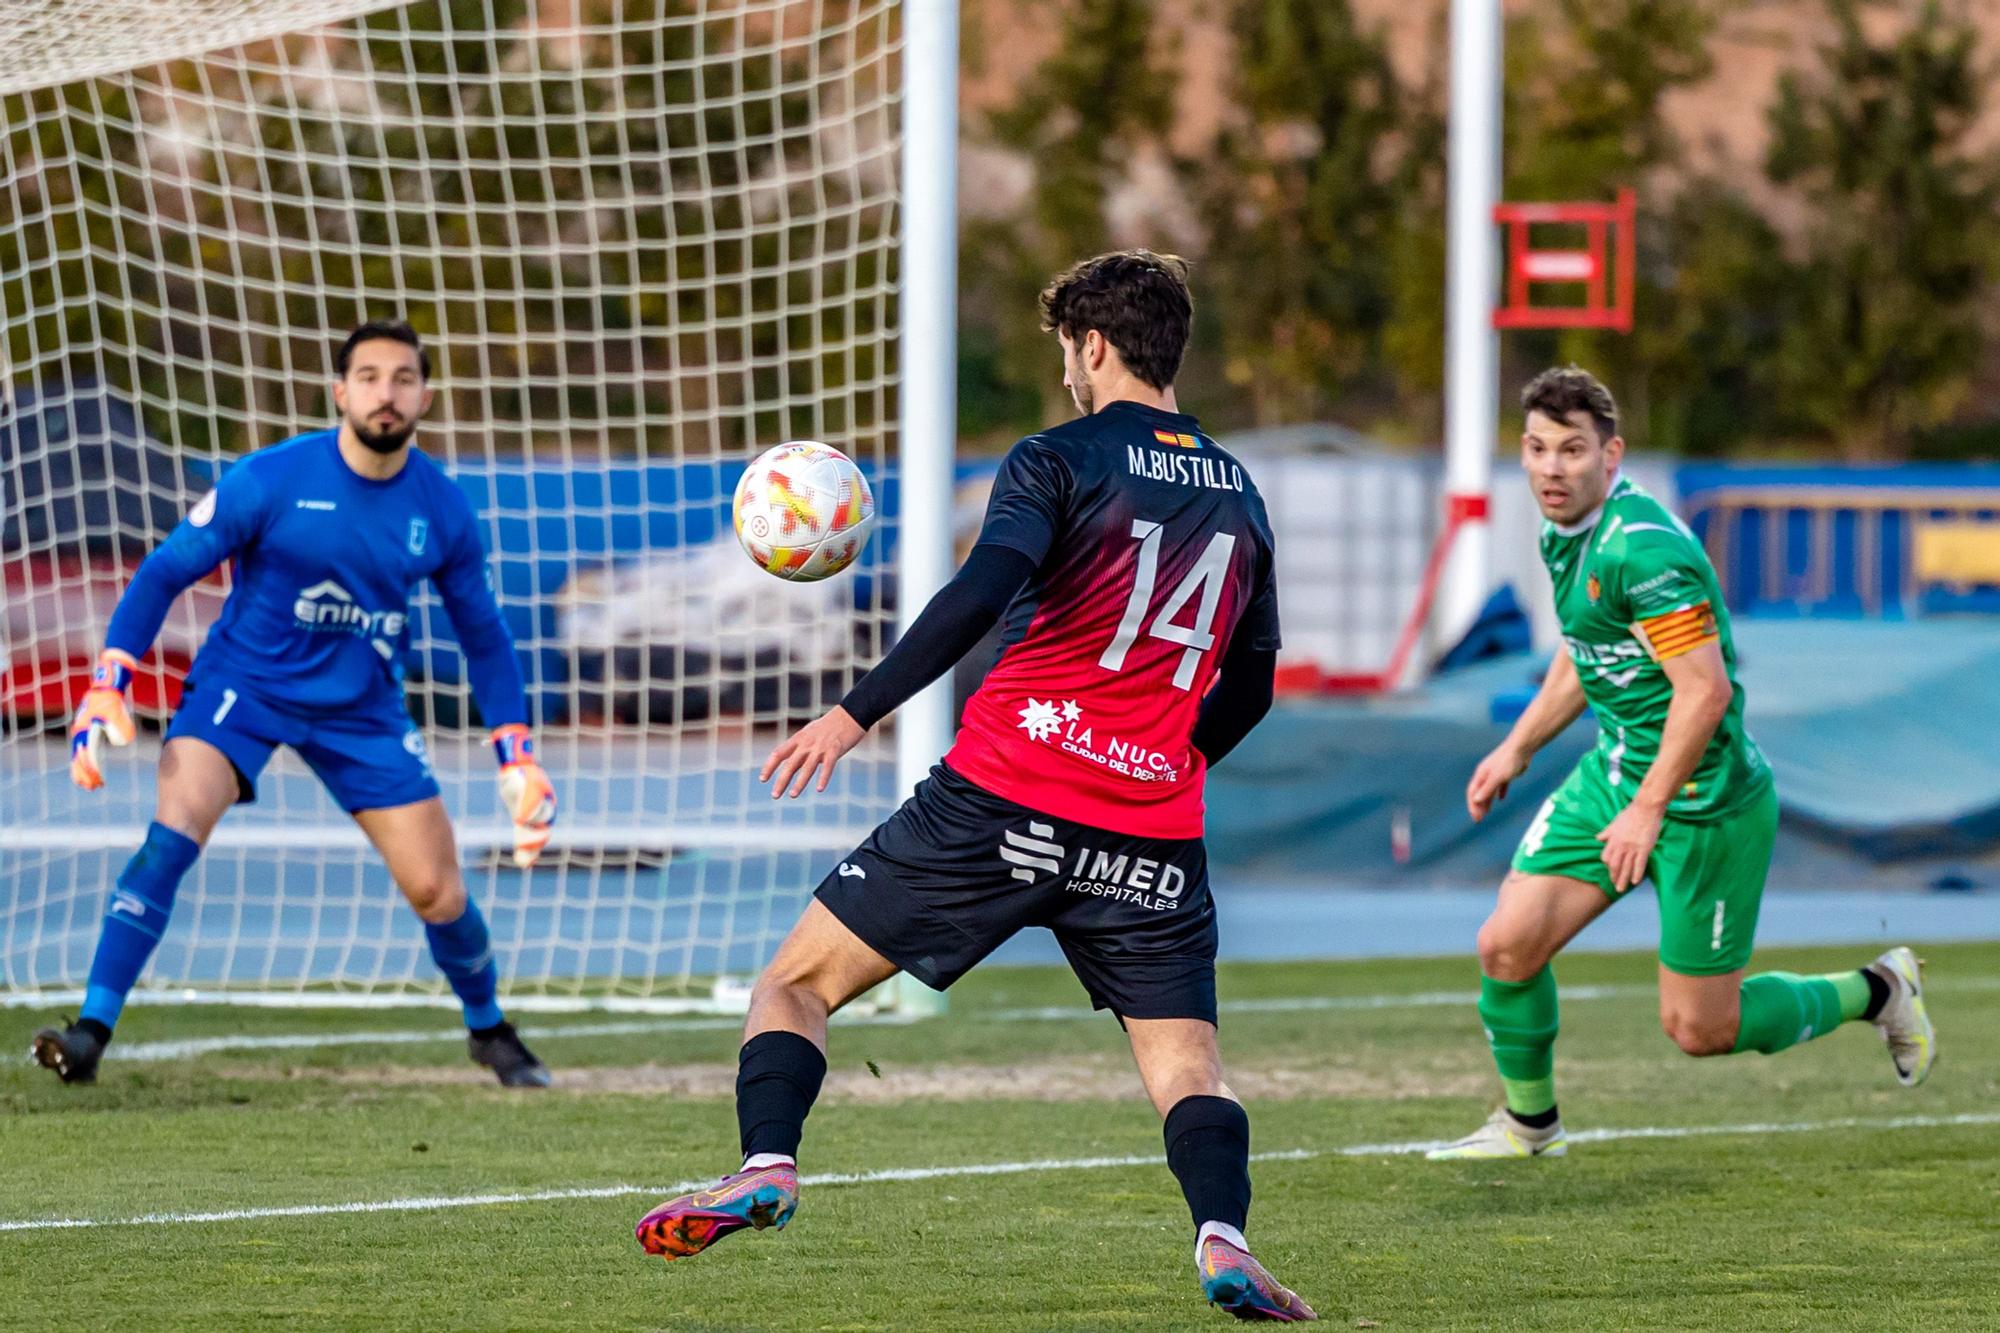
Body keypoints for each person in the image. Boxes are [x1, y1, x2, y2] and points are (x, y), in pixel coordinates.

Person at [631, 251, 1314, 1321]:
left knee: (793, 985)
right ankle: (1222, 1238)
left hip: (1001, 797)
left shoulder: (1055, 457)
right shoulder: (1241, 494)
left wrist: (853, 711)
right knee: (1188, 1066)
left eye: (1065, 351)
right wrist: (1161, 763)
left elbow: (979, 591)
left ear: (1091, 346)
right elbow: (1255, 682)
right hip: (1149, 830)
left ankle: (766, 1163)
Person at [1427, 366, 1936, 1161]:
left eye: (1571, 449)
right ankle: (1532, 1125)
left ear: (1612, 454)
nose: (1551, 467)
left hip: (1705, 803)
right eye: (1535, 448)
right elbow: (1585, 644)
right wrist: (1516, 747)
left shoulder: (1646, 549)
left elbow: (1705, 692)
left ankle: (1881, 989)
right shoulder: (1564, 532)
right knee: (1507, 944)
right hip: (1618, 775)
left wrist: (1650, 806)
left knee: (1701, 1028)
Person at [33, 321, 559, 1089]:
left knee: (437, 889)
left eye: (404, 378)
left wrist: (516, 749)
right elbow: (160, 573)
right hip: (243, 690)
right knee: (174, 830)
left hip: (363, 710)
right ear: (340, 391)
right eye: (371, 376)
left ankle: (490, 1029)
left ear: (425, 396)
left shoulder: (441, 507)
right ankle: (89, 1031)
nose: (388, 392)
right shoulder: (269, 478)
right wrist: (109, 678)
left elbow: (483, 633)